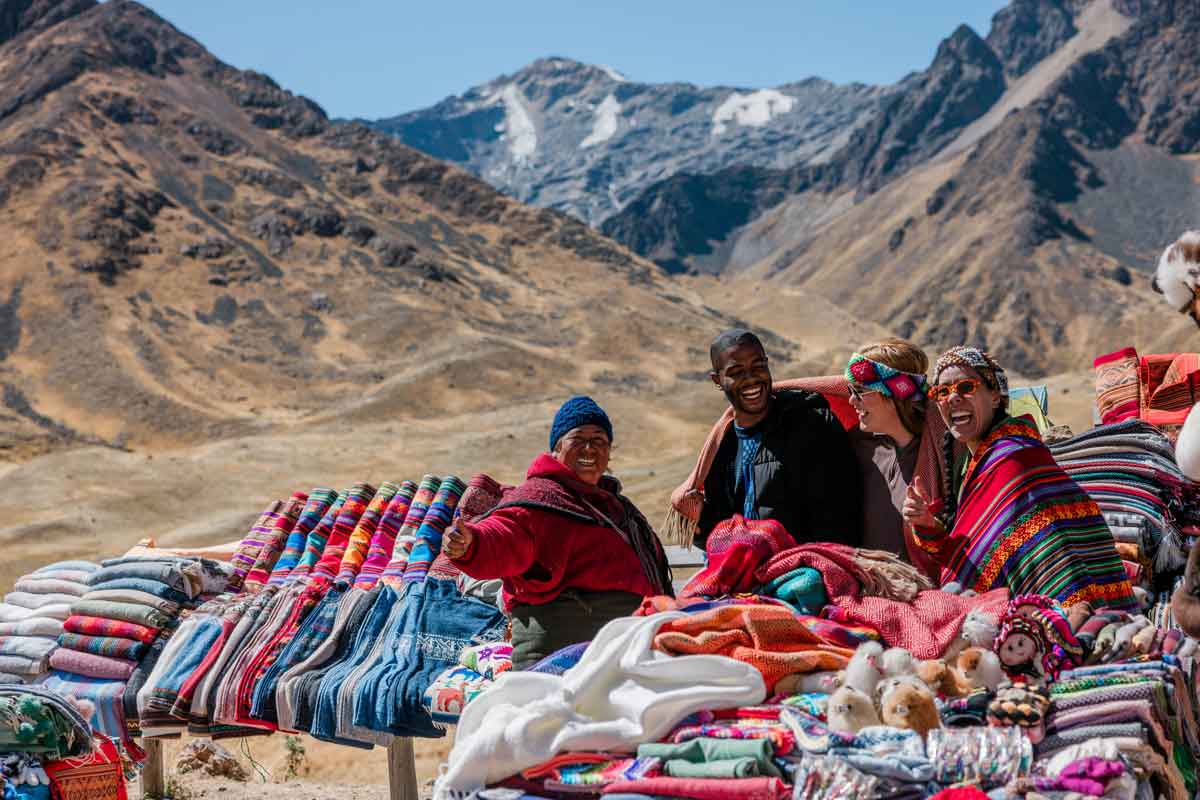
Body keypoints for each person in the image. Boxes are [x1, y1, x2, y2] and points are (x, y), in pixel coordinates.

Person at [442, 396, 672, 670]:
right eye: (578, 438)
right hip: (559, 659)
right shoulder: (539, 499)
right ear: (557, 448)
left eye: (599, 440)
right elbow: (505, 534)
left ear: (609, 452)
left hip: (624, 652)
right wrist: (471, 544)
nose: (589, 448)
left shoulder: (616, 507)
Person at [903, 346, 1135, 608]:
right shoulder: (975, 463)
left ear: (995, 396)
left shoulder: (1014, 459)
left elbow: (1046, 555)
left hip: (1060, 614)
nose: (953, 397)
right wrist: (926, 523)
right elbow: (974, 550)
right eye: (942, 392)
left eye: (966, 387)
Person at [696, 329, 863, 549]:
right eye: (736, 372)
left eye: (758, 366)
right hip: (745, 570)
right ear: (717, 380)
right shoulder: (720, 447)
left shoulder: (811, 425)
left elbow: (839, 514)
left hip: (805, 569)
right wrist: (700, 523)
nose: (751, 378)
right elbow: (721, 527)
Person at [844, 339, 929, 557]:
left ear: (895, 393)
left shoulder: (940, 454)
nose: (852, 400)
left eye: (860, 390)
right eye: (850, 390)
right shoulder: (857, 444)